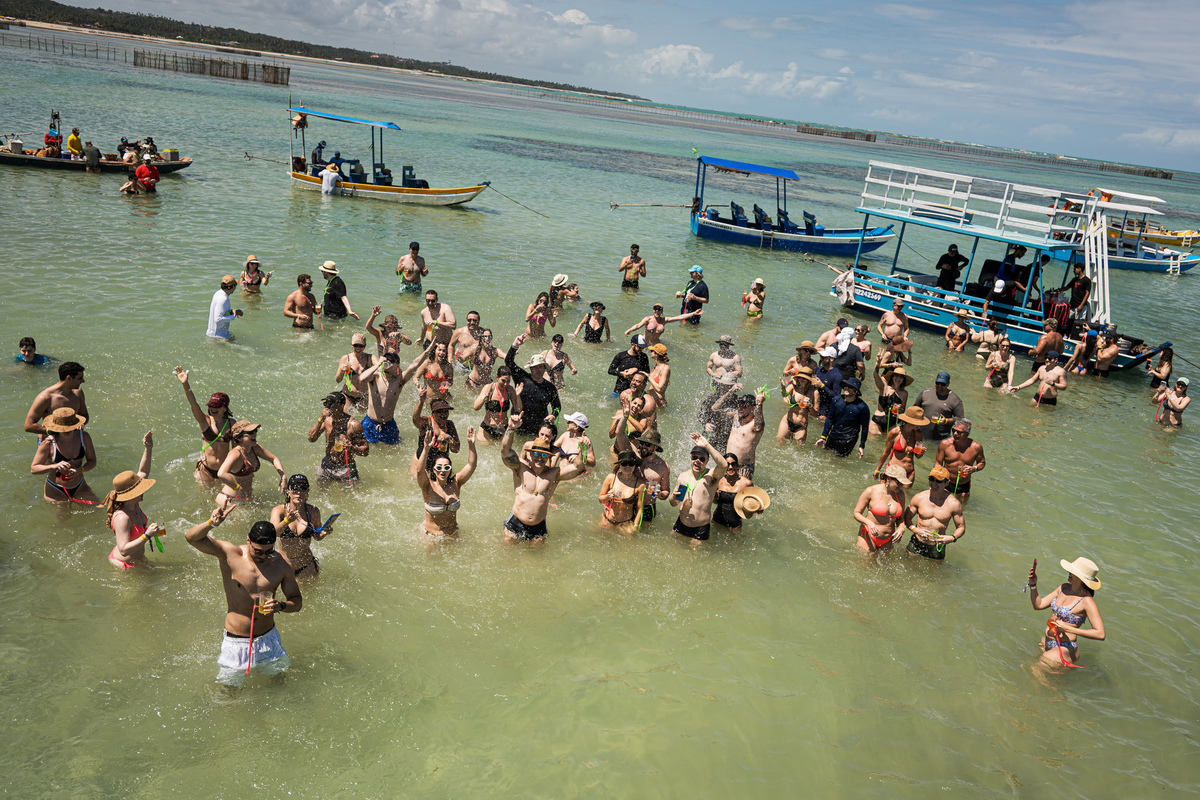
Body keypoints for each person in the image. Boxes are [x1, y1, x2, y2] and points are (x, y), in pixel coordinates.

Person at [185, 508, 303, 686]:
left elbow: (297, 602)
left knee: (278, 688)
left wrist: (281, 605)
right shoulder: (230, 554)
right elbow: (191, 538)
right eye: (258, 551)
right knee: (228, 694)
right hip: (236, 642)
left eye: (268, 551)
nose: (263, 556)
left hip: (268, 638)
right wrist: (211, 524)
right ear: (248, 540)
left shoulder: (281, 565)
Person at [499, 415, 586, 542]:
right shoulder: (521, 467)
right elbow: (505, 451)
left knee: (538, 560)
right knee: (507, 556)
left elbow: (577, 468)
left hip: (538, 528)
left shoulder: (553, 473)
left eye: (544, 455)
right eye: (536, 454)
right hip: (515, 524)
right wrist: (511, 428)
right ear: (531, 454)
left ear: (548, 457)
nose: (539, 458)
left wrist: (583, 449)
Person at [1027, 557, 1105, 667]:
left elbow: (1100, 634)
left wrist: (1069, 629)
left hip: (1066, 648)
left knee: (1035, 670)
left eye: (1072, 571)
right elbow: (1038, 605)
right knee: (1035, 671)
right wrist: (1033, 585)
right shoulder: (1063, 588)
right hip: (1047, 641)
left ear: (1081, 578)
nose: (1069, 572)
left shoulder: (1087, 601)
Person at [102, 432, 163, 569]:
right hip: (125, 565)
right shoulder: (122, 518)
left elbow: (143, 472)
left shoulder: (133, 504)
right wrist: (147, 535)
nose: (143, 491)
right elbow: (123, 550)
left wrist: (148, 449)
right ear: (129, 495)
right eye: (139, 490)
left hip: (138, 559)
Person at [357, 343, 436, 444]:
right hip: (369, 423)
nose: (387, 362)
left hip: (388, 425)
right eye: (386, 359)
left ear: (397, 364)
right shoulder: (375, 376)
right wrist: (378, 364)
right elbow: (362, 378)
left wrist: (430, 347)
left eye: (390, 361)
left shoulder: (399, 380)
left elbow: (415, 364)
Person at [414, 425, 478, 537]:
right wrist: (426, 448)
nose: (442, 470)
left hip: (453, 533)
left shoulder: (456, 482)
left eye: (446, 467)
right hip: (430, 535)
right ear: (433, 470)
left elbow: (471, 465)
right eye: (439, 468)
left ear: (450, 470)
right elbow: (419, 471)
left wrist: (471, 445)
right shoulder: (427, 486)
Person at [174, 367, 236, 483]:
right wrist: (185, 384)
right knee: (205, 499)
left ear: (224, 408)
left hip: (224, 471)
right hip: (205, 470)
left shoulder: (231, 423)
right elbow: (193, 404)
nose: (212, 409)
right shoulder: (204, 420)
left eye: (216, 406)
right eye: (210, 406)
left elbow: (236, 448)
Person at [30, 407, 97, 503]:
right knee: (63, 517)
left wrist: (80, 470)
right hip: (55, 489)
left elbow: (92, 461)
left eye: (69, 427)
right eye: (63, 428)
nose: (66, 430)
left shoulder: (84, 437)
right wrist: (55, 466)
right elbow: (34, 469)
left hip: (80, 485)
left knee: (95, 510)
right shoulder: (48, 443)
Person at [269, 474, 329, 578]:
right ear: (288, 491)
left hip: (306, 566)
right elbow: (271, 534)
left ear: (307, 492)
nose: (298, 492)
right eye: (295, 488)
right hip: (283, 566)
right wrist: (287, 521)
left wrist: (324, 533)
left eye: (303, 488)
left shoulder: (313, 511)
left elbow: (317, 537)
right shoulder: (279, 511)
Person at [902, 465, 966, 561]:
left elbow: (961, 527)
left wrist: (952, 538)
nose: (934, 483)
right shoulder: (919, 497)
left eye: (938, 481)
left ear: (947, 483)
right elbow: (906, 517)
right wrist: (915, 529)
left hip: (937, 545)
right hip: (917, 541)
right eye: (931, 479)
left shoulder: (953, 503)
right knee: (908, 568)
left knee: (935, 573)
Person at [217, 421, 287, 509]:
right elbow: (221, 473)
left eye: (255, 431)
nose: (254, 434)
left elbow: (273, 459)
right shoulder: (235, 454)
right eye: (250, 433)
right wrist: (237, 488)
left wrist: (283, 476)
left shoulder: (255, 448)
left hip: (244, 499)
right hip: (230, 500)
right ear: (239, 438)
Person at [668, 433, 725, 542]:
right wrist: (673, 498)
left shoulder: (711, 476)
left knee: (696, 557)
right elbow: (674, 503)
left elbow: (724, 465)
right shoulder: (683, 476)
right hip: (680, 524)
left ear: (707, 461)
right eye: (694, 457)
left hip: (700, 528)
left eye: (702, 459)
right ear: (690, 458)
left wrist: (707, 445)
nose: (697, 461)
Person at [504, 335, 561, 434]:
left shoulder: (550, 387)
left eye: (540, 367)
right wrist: (515, 345)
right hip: (518, 423)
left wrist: (553, 415)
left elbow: (557, 406)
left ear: (544, 369)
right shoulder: (522, 378)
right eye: (535, 367)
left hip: (538, 428)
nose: (538, 369)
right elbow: (508, 361)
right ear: (530, 368)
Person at [309, 393, 369, 483]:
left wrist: (352, 448)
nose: (327, 408)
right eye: (326, 404)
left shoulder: (354, 425)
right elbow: (311, 438)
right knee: (320, 493)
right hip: (327, 464)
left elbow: (365, 451)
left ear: (341, 406)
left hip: (345, 467)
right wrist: (320, 419)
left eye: (331, 405)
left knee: (348, 496)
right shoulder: (326, 420)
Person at [852, 463, 911, 552]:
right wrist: (868, 522)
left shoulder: (900, 495)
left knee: (882, 565)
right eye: (898, 482)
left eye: (902, 483)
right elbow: (856, 513)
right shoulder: (871, 491)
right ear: (888, 478)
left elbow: (901, 518)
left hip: (888, 539)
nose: (900, 485)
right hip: (868, 535)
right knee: (864, 564)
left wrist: (901, 528)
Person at [24, 361, 89, 436]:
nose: (83, 381)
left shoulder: (78, 393)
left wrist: (81, 423)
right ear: (69, 378)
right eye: (80, 378)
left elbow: (84, 415)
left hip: (73, 440)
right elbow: (28, 426)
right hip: (50, 442)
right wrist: (53, 431)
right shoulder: (45, 397)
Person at [815, 376, 870, 458]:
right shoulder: (837, 400)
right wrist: (823, 437)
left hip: (848, 439)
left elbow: (865, 428)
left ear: (856, 391)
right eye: (845, 386)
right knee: (825, 457)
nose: (846, 388)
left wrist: (861, 446)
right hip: (833, 435)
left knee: (837, 461)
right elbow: (829, 418)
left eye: (850, 387)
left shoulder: (862, 407)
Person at [873, 406, 929, 481]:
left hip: (909, 473)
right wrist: (877, 470)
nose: (920, 425)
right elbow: (886, 452)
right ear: (910, 421)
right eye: (918, 423)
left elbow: (917, 456)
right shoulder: (895, 432)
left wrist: (921, 453)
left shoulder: (918, 434)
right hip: (893, 471)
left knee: (905, 493)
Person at [599, 451, 648, 534]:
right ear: (619, 465)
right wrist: (608, 497)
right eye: (624, 463)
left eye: (631, 463)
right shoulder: (611, 478)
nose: (627, 466)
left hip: (625, 523)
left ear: (635, 465)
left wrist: (635, 526)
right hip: (607, 520)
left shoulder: (640, 485)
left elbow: (640, 510)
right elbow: (600, 499)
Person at [936, 418, 985, 500]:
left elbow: (982, 463)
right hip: (945, 481)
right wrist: (936, 479)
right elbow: (938, 463)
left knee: (962, 505)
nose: (955, 434)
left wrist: (974, 468)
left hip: (964, 483)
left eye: (959, 432)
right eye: (953, 430)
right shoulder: (945, 444)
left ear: (967, 434)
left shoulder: (976, 447)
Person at [473, 365, 522, 443]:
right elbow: (475, 407)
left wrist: (518, 395)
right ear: (497, 377)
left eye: (508, 381)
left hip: (503, 428)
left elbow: (518, 409)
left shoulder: (510, 390)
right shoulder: (489, 388)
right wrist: (484, 398)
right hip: (487, 429)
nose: (505, 384)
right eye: (503, 380)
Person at [725, 389, 767, 479]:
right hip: (727, 464)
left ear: (752, 408)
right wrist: (730, 391)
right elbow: (715, 409)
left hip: (744, 467)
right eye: (739, 405)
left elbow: (759, 427)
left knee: (741, 492)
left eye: (744, 406)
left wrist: (759, 403)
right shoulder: (736, 416)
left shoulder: (754, 424)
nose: (740, 408)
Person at [411, 395, 460, 471]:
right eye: (440, 411)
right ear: (433, 413)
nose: (444, 414)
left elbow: (456, 450)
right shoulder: (427, 422)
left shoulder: (449, 425)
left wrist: (449, 438)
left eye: (446, 411)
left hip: (440, 467)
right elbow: (415, 420)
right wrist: (421, 402)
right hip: (422, 464)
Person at [914, 372, 964, 441]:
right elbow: (914, 408)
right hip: (920, 435)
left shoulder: (955, 400)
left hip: (940, 439)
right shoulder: (925, 392)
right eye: (937, 383)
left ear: (948, 384)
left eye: (943, 384)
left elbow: (961, 419)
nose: (939, 386)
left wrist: (946, 420)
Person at [710, 453, 753, 531]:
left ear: (738, 465)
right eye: (727, 464)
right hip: (716, 521)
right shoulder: (719, 480)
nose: (730, 467)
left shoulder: (746, 483)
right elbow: (715, 502)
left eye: (733, 464)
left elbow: (752, 503)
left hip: (734, 526)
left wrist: (757, 508)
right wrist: (714, 496)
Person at [778, 367, 821, 444]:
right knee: (779, 444)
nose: (801, 379)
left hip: (801, 426)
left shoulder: (814, 393)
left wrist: (810, 406)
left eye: (804, 378)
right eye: (800, 377)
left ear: (809, 380)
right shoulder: (793, 387)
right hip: (787, 421)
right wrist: (783, 388)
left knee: (798, 451)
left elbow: (815, 414)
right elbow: (784, 394)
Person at [699, 375, 741, 452]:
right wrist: (705, 424)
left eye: (728, 386)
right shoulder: (711, 398)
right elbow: (701, 414)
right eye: (723, 385)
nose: (725, 387)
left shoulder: (738, 400)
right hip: (712, 433)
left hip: (728, 435)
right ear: (720, 385)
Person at [624, 303, 699, 345]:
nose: (657, 311)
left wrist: (693, 314)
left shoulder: (664, 320)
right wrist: (629, 330)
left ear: (662, 311)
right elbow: (638, 325)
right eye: (655, 309)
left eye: (659, 309)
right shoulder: (648, 319)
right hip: (646, 344)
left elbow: (679, 317)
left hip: (657, 344)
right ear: (653, 310)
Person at [982, 245, 1026, 316]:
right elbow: (1006, 270)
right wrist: (1016, 278)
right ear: (1018, 251)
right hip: (1000, 279)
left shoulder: (1013, 259)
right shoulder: (1009, 259)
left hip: (1004, 280)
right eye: (1022, 253)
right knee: (997, 295)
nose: (1023, 255)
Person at [870, 364, 912, 435]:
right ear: (892, 377)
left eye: (901, 376)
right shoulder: (884, 386)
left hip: (891, 424)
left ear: (903, 379)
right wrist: (878, 362)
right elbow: (875, 374)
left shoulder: (904, 393)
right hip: (877, 421)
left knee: (888, 445)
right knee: (873, 444)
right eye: (896, 375)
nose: (898, 378)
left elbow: (902, 411)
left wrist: (899, 409)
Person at [335, 333, 375, 407]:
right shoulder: (346, 358)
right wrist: (341, 371)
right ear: (351, 344)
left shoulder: (370, 358)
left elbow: (381, 367)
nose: (358, 348)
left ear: (365, 346)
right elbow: (338, 380)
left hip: (364, 397)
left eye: (361, 346)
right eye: (355, 345)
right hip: (348, 396)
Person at [464, 328, 500, 392]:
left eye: (489, 336)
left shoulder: (495, 351)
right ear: (481, 338)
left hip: (487, 384)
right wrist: (458, 355)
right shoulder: (475, 349)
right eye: (485, 336)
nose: (487, 338)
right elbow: (463, 358)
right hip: (472, 383)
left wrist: (514, 350)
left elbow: (506, 356)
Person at [814, 348, 844, 414]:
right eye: (820, 356)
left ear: (832, 358)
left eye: (823, 357)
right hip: (814, 403)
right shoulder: (819, 369)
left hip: (826, 409)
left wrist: (822, 386)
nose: (821, 359)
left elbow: (836, 396)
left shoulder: (837, 375)